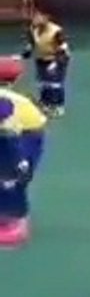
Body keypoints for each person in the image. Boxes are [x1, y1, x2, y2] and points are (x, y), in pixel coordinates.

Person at [0, 87, 47, 248]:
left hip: (26, 134)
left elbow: (12, 142)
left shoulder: (6, 114)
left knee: (10, 179)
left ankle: (15, 221)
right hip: (17, 131)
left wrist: (21, 163)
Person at [21, 10, 70, 117]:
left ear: (46, 18)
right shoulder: (33, 29)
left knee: (55, 84)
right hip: (41, 59)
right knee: (43, 83)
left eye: (39, 17)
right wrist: (23, 55)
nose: (36, 20)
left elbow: (63, 49)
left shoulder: (56, 31)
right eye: (35, 17)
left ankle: (58, 106)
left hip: (57, 59)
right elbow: (31, 44)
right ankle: (45, 104)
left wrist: (55, 63)